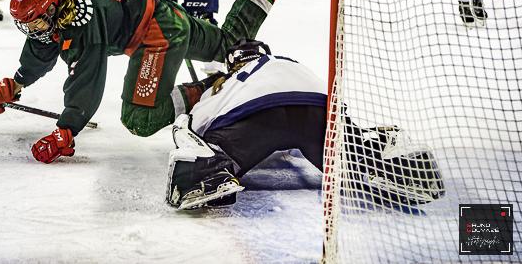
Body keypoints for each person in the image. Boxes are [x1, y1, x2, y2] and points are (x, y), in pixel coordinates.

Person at [0, 0, 309, 164]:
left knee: (139, 119)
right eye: (27, 24)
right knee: (227, 44)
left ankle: (213, 89)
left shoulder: (81, 22)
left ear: (51, 11)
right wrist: (14, 84)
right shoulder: (62, 10)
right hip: (163, 13)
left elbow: (86, 84)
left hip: (157, 35)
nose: (32, 29)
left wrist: (66, 130)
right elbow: (42, 47)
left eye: (34, 21)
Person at [165, 40, 445, 210]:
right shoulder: (287, 62)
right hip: (316, 112)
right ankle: (397, 167)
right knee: (357, 158)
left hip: (258, 115)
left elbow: (199, 121)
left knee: (215, 159)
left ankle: (210, 173)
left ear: (234, 63)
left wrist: (195, 127)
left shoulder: (232, 79)